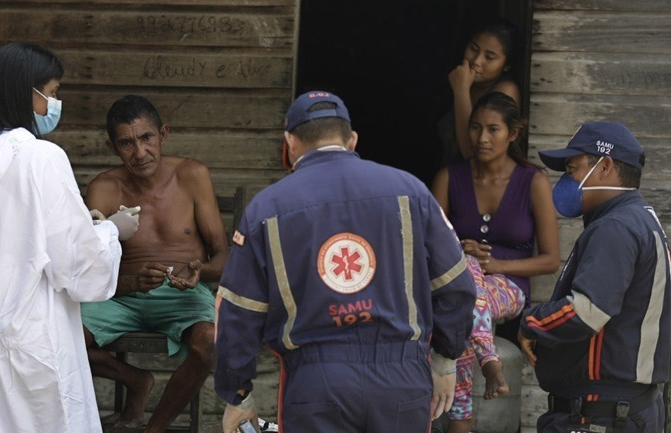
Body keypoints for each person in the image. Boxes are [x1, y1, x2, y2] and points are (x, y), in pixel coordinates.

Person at [214, 90, 477, 433]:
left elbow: (238, 310)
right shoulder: (410, 192)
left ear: (289, 142)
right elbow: (456, 284)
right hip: (402, 381)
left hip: (316, 385)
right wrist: (445, 360)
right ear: (352, 139)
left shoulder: (266, 210)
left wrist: (238, 394)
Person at [0, 42, 138, 433]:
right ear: (29, 94)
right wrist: (111, 232)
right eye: (53, 93)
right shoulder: (42, 158)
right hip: (32, 349)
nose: (55, 103)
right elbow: (78, 268)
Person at [80, 95, 230, 432]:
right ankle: (135, 380)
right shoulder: (103, 188)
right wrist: (133, 283)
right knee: (57, 335)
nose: (140, 152)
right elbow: (86, 272)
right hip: (121, 297)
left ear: (163, 134)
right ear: (111, 146)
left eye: (146, 138)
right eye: (127, 143)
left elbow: (223, 257)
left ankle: (155, 428)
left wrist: (199, 271)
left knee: (210, 340)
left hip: (185, 295)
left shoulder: (192, 174)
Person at [519, 121, 671, 433]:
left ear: (604, 167)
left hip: (601, 414)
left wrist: (531, 324)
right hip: (624, 409)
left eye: (573, 168)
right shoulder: (640, 219)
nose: (567, 179)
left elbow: (587, 312)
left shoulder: (616, 227)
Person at [431, 92, 560, 433]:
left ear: (513, 133)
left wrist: (497, 265)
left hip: (509, 286)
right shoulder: (449, 177)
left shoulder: (533, 182)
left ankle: (461, 419)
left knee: (462, 297)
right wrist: (460, 250)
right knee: (464, 278)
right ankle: (488, 361)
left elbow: (551, 260)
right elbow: (427, 245)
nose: (482, 138)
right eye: (475, 128)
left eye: (493, 129)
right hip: (458, 284)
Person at [439, 18, 521, 164]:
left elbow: (472, 155)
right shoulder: (462, 80)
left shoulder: (505, 91)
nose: (476, 61)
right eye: (473, 48)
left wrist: (461, 91)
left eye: (489, 57)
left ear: (506, 65)